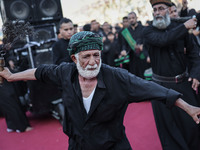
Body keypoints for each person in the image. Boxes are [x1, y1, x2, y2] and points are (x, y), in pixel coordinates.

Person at [0, 31, 200, 150]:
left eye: (96, 55)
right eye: (86, 56)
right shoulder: (64, 72)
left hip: (113, 146)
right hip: (78, 145)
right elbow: (39, 72)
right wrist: (11, 76)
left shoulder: (118, 77)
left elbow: (157, 90)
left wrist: (189, 107)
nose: (92, 62)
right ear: (74, 59)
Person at [143, 0, 200, 149]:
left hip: (183, 84)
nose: (157, 13)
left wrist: (195, 73)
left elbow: (194, 53)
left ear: (169, 11)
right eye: (154, 10)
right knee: (169, 132)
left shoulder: (180, 29)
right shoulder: (148, 31)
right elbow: (163, 40)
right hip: (160, 88)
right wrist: (184, 26)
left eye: (160, 9)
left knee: (193, 127)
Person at [120, 12, 149, 78]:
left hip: (142, 56)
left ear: (136, 18)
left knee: (143, 77)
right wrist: (123, 50)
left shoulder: (143, 28)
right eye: (129, 18)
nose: (131, 20)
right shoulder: (126, 31)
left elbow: (147, 41)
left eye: (133, 18)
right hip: (132, 58)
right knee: (133, 78)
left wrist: (143, 46)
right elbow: (124, 44)